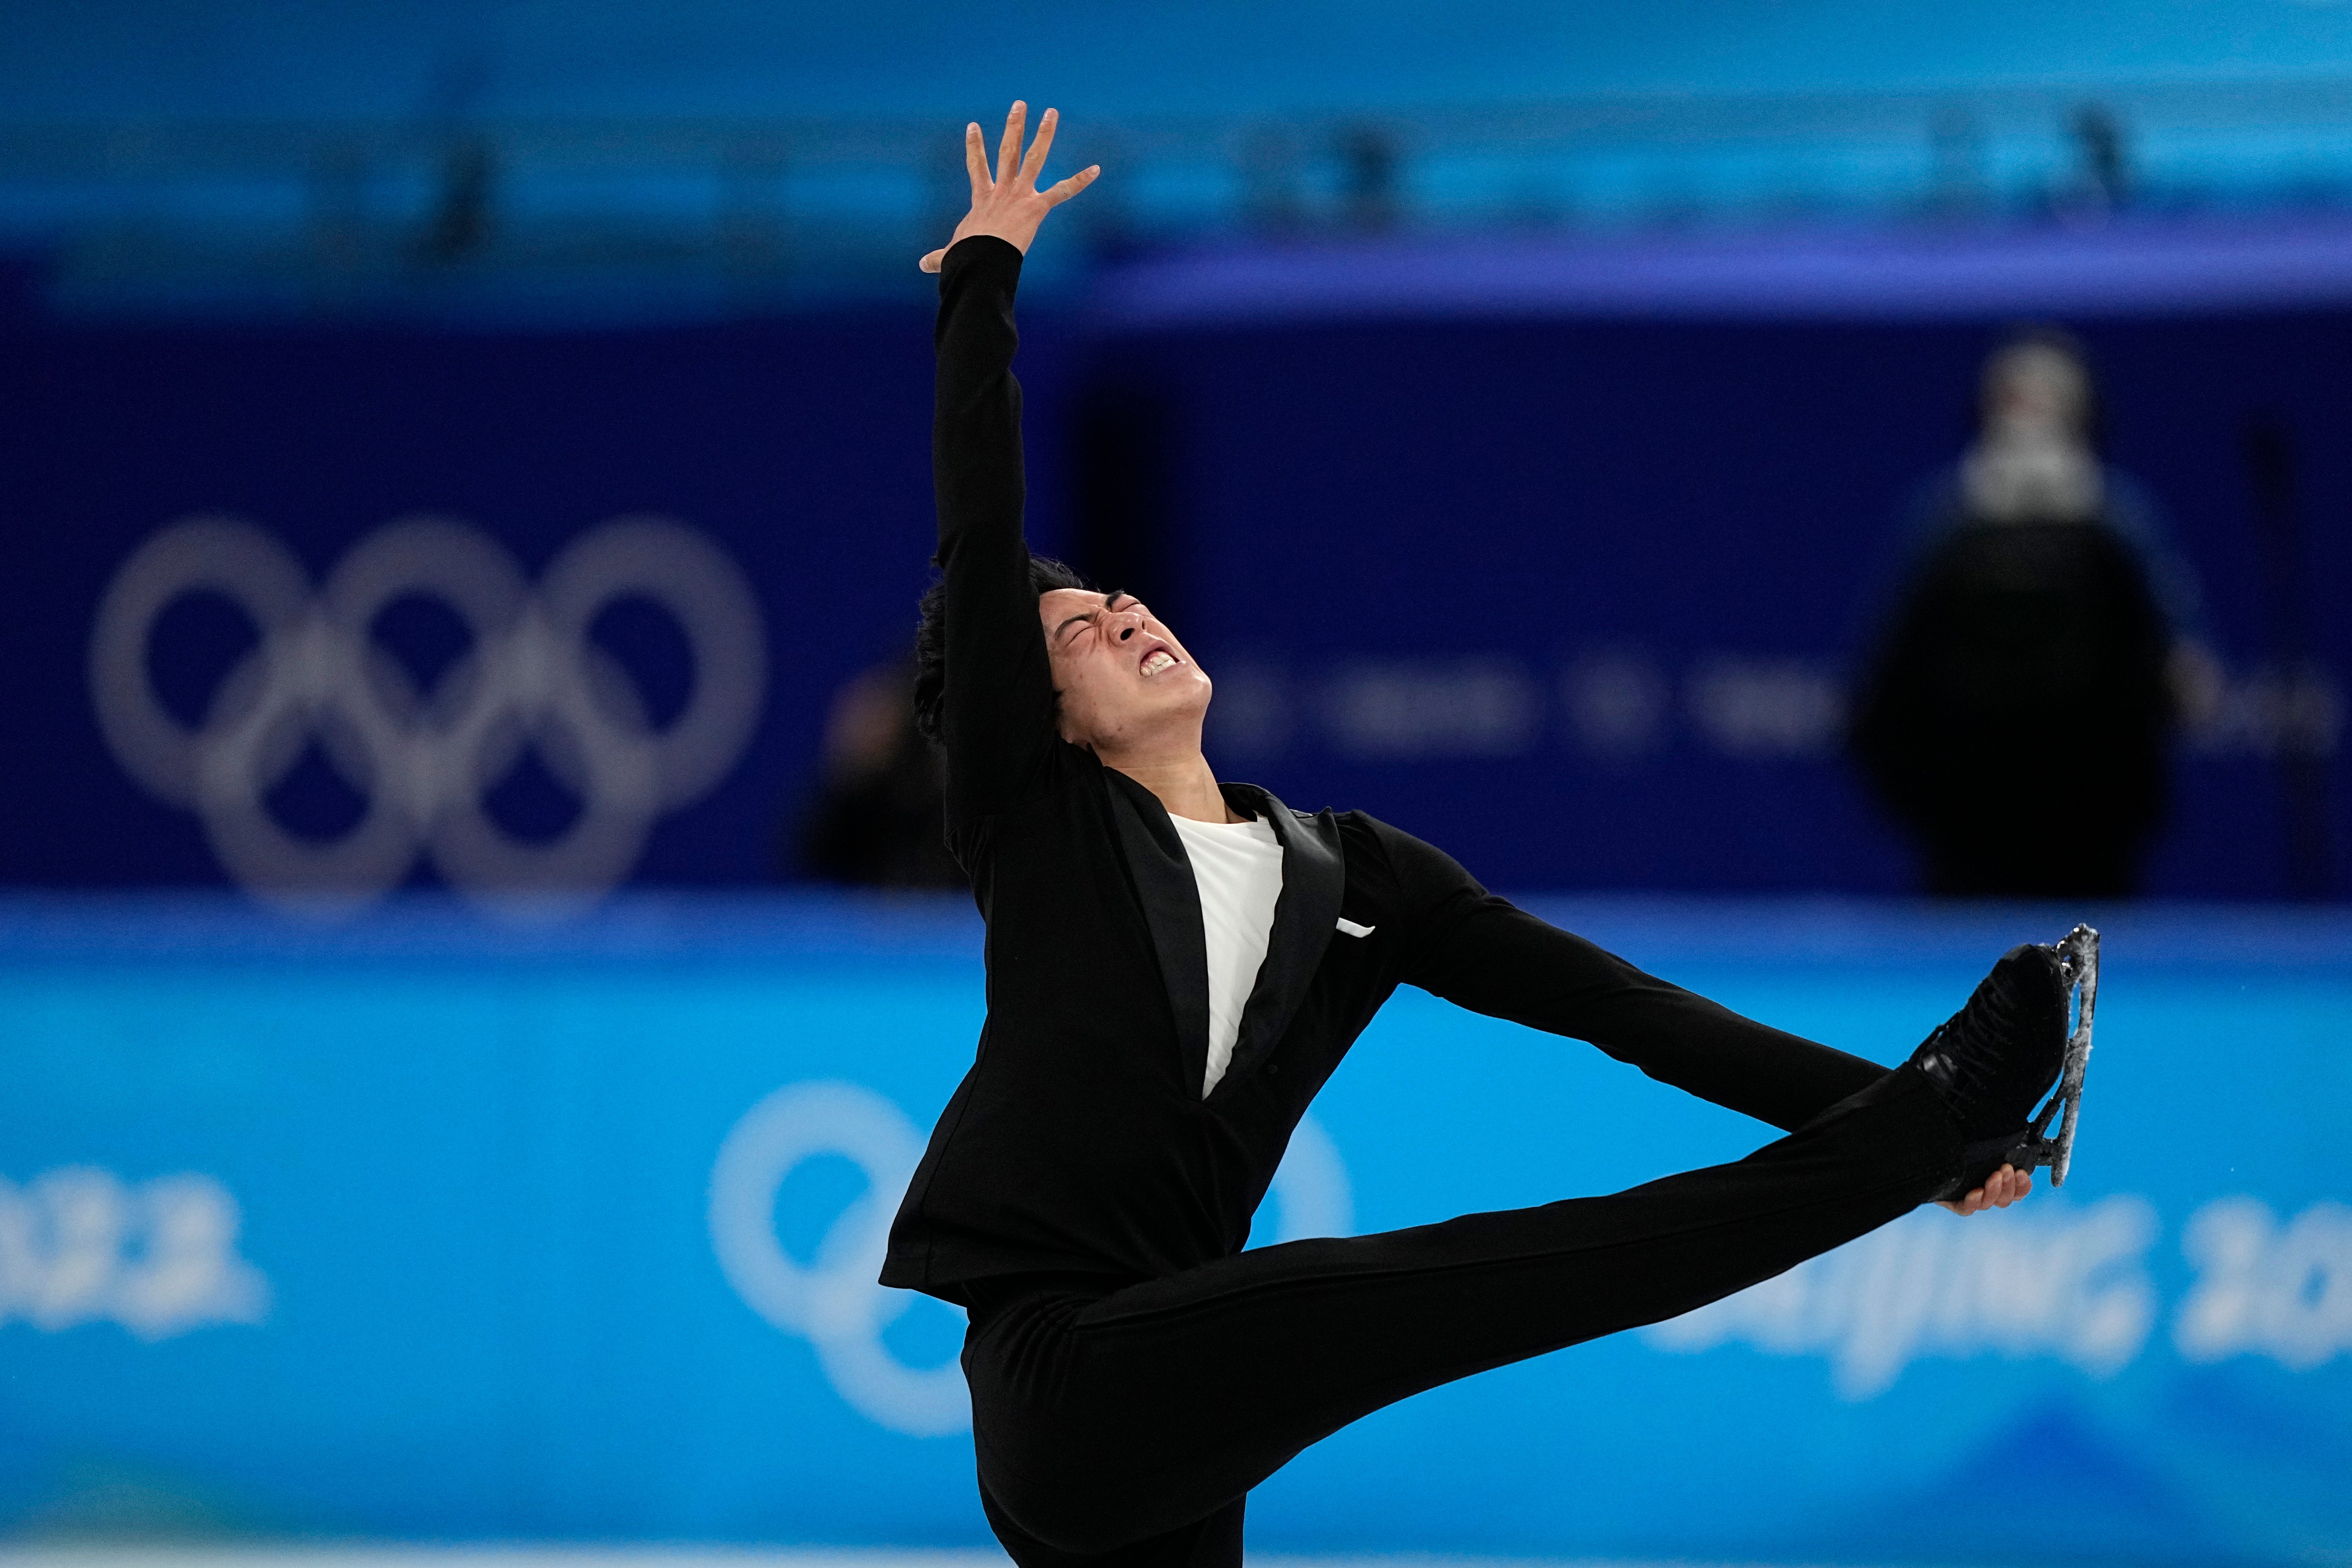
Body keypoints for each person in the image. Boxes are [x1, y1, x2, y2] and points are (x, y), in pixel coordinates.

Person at [885, 103, 2069, 1568]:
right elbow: (975, 530)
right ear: (1039, 708)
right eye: (1072, 630)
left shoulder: (1361, 876)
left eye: (1121, 597)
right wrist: (985, 280)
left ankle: (1930, 1123)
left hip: (1194, 1385)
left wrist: (1900, 1118)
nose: (1124, 611)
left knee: (1385, 1294)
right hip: (1068, 1380)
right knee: (1473, 1277)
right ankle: (1933, 1115)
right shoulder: (1040, 821)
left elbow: (1633, 1016)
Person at [1850, 330, 2212, 898]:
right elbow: (1881, 694)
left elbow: (2185, 684)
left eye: (2047, 405)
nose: (2029, 426)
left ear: (2081, 415)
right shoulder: (1946, 528)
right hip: (1965, 831)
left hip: (2091, 832)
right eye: (2017, 404)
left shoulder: (2120, 527)